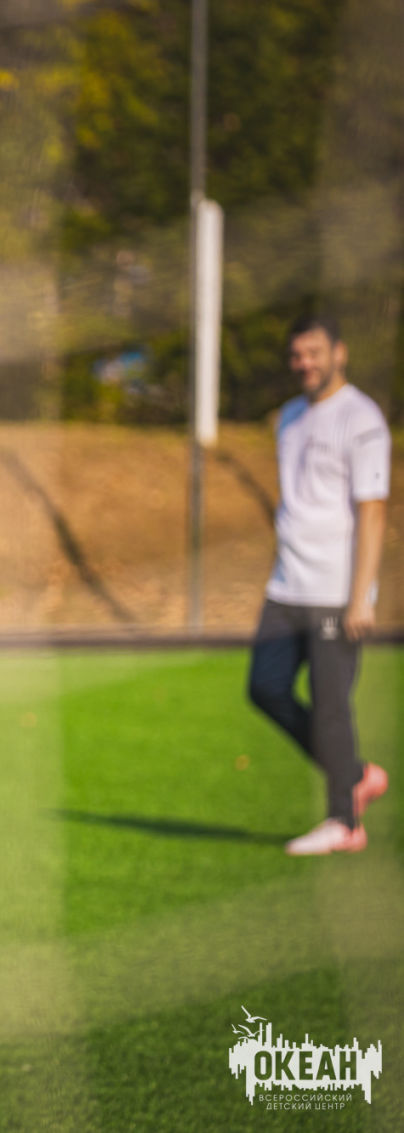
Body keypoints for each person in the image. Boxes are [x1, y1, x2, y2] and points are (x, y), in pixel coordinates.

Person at [247, 314, 391, 855]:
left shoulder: (362, 419)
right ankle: (354, 774)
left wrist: (361, 596)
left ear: (339, 353)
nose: (304, 363)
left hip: (336, 590)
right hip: (287, 586)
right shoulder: (288, 417)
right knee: (265, 687)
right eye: (297, 355)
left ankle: (344, 823)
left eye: (314, 352)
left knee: (330, 706)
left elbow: (372, 511)